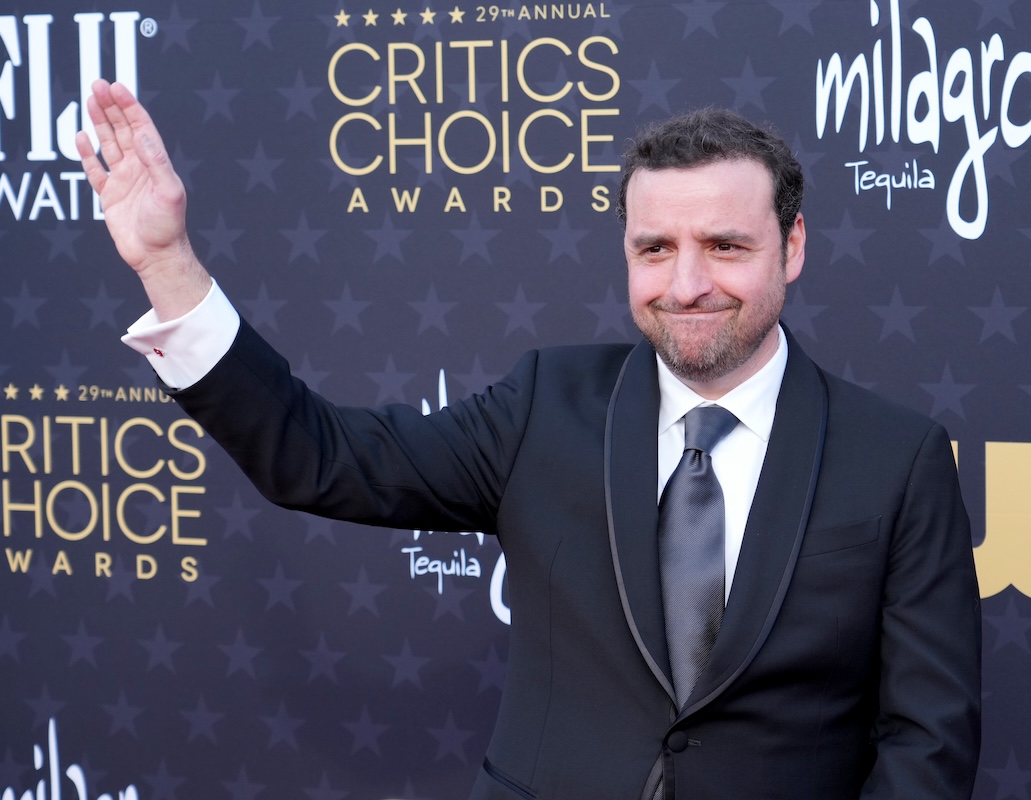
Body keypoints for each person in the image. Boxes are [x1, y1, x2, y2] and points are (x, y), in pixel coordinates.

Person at [78, 79, 981, 799]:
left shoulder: (895, 460)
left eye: (726, 246)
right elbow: (320, 459)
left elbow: (927, 739)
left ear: (793, 247)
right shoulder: (544, 403)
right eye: (654, 248)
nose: (688, 281)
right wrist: (167, 264)